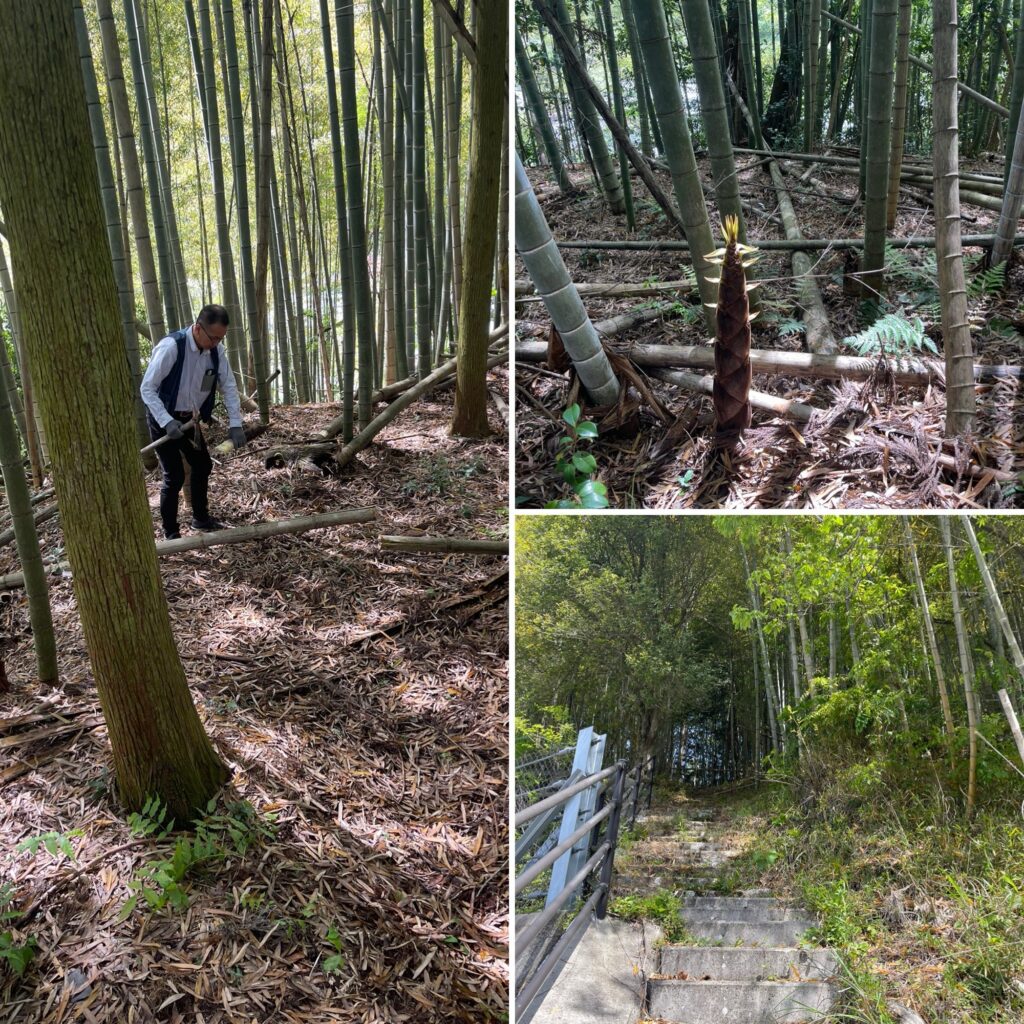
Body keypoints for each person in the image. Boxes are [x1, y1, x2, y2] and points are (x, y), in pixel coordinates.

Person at [140, 304, 246, 539]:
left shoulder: (216, 352)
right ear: (198, 328)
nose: (216, 343)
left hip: (190, 420)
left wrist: (235, 424)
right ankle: (171, 532)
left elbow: (229, 386)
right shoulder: (172, 347)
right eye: (213, 337)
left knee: (202, 465)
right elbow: (147, 388)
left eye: (221, 338)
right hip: (163, 419)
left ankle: (200, 519)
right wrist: (167, 421)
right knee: (174, 475)